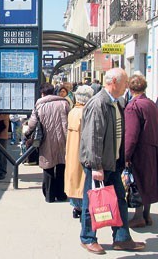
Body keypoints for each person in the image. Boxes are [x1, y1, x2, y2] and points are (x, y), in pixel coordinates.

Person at [79, 68, 145, 255]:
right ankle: (88, 238)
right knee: (92, 202)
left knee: (119, 201)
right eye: (124, 82)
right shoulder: (98, 103)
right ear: (114, 81)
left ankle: (122, 238)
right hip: (98, 163)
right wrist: (96, 166)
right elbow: (93, 137)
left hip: (113, 162)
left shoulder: (117, 102)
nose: (127, 86)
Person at [24, 82, 70, 203]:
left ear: (42, 93)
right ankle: (61, 194)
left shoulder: (39, 105)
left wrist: (27, 133)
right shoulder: (64, 103)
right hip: (63, 139)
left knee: (48, 166)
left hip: (46, 140)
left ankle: (49, 196)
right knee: (61, 166)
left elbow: (32, 123)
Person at [124, 74, 158, 228]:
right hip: (152, 147)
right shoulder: (150, 103)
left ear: (130, 89)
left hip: (140, 150)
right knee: (148, 180)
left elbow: (131, 134)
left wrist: (126, 154)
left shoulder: (133, 106)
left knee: (137, 181)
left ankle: (138, 217)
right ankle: (146, 215)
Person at [64, 85, 94, 219]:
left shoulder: (72, 111)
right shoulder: (86, 112)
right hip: (82, 150)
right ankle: (82, 207)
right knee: (82, 180)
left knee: (73, 178)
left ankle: (76, 207)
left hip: (71, 150)